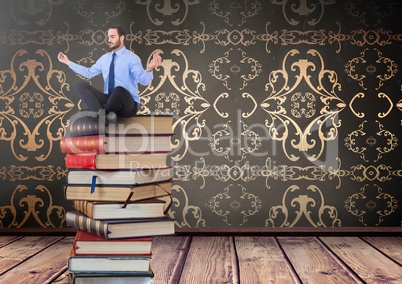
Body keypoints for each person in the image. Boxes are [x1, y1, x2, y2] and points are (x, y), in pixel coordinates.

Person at [57, 25, 162, 122]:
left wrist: (149, 69)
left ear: (122, 38)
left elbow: (143, 81)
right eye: (108, 37)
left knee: (119, 90)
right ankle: (100, 116)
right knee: (81, 86)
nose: (109, 40)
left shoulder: (132, 58)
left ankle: (101, 114)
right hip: (110, 101)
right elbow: (88, 73)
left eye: (112, 37)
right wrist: (68, 62)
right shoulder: (105, 59)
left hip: (127, 105)